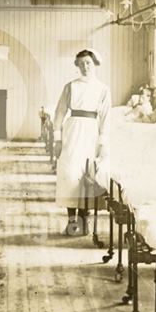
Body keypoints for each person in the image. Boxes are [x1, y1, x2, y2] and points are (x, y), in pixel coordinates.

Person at [53, 49, 111, 236]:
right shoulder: (71, 86)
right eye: (82, 63)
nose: (85, 67)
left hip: (91, 134)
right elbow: (60, 112)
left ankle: (85, 222)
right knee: (69, 175)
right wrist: (58, 139)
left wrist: (102, 143)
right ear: (77, 65)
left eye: (89, 63)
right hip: (72, 132)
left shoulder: (102, 89)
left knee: (88, 177)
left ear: (94, 64)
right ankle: (72, 223)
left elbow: (105, 119)